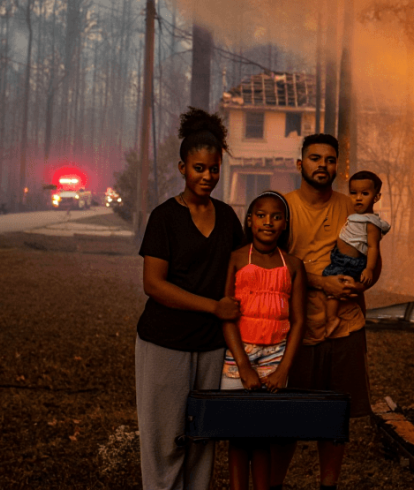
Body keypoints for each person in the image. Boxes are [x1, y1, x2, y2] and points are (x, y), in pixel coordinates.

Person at [135, 108, 244, 490]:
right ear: (182, 168)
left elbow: (246, 272)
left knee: (202, 439)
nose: (208, 176)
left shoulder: (228, 218)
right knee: (166, 441)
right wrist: (213, 307)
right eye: (199, 168)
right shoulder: (164, 218)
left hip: (212, 345)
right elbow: (154, 285)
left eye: (214, 169)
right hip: (165, 342)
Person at [272, 134, 375, 490]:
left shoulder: (352, 207)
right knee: (285, 421)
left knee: (335, 420)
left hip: (345, 328)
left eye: (330, 160)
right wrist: (321, 282)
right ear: (300, 164)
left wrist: (359, 284)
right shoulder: (284, 208)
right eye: (315, 158)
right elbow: (272, 266)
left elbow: (373, 262)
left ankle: (328, 486)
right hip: (296, 330)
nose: (323, 165)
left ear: (337, 167)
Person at [221, 191, 306, 490]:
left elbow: (299, 321)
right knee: (238, 434)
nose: (268, 222)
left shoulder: (293, 265)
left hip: (276, 354)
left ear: (285, 224)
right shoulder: (235, 259)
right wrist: (243, 365)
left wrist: (283, 369)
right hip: (238, 354)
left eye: (276, 217)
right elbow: (227, 315)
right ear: (249, 221)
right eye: (261, 215)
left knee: (262, 433)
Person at [322, 171, 390, 336]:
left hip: (350, 263)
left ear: (376, 197)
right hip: (340, 258)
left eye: (364, 194)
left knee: (332, 287)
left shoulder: (371, 223)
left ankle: (332, 318)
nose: (358, 198)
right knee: (331, 284)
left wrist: (369, 269)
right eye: (353, 193)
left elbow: (373, 247)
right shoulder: (355, 215)